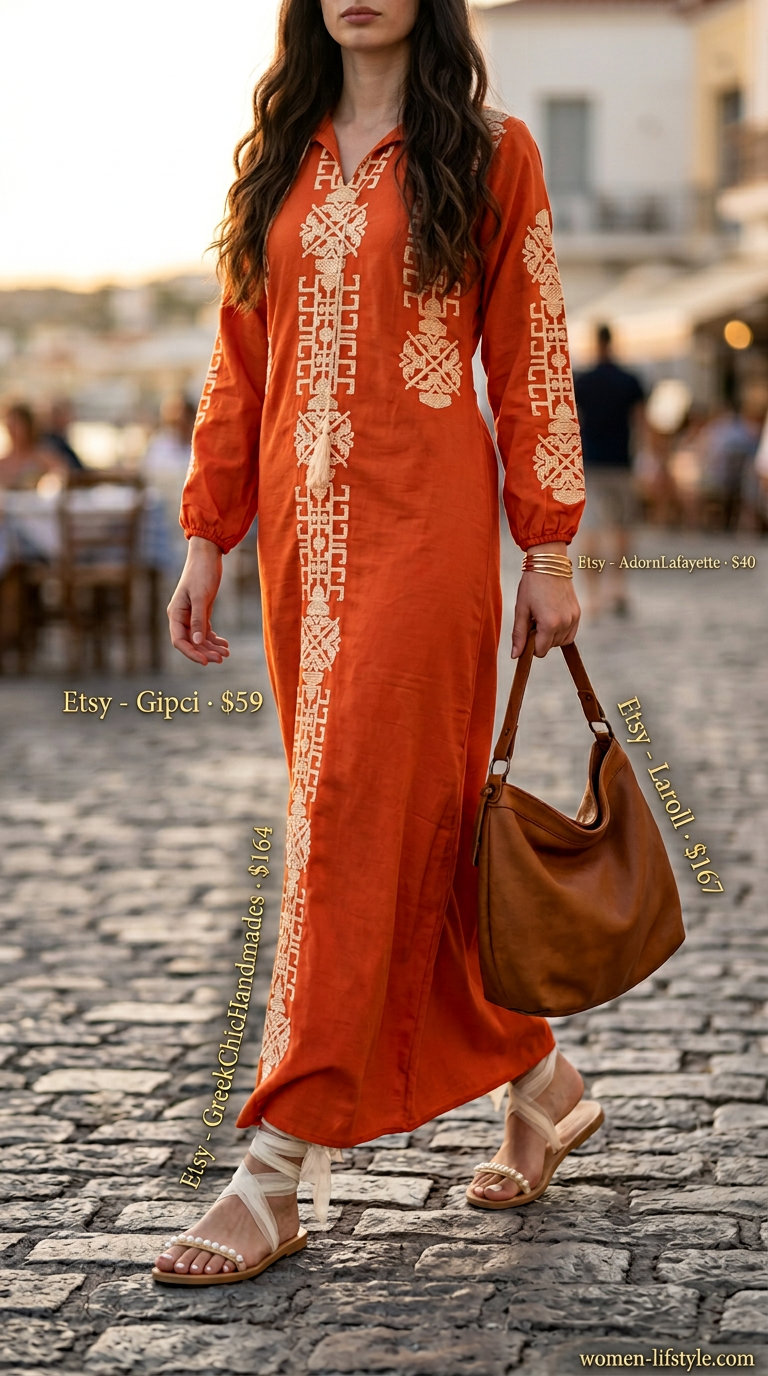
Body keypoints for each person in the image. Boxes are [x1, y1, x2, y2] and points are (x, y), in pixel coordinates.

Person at [153, 0, 601, 1287]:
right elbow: (242, 359)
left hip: (427, 537)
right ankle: (544, 1079)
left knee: (351, 815)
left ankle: (274, 1166)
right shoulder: (282, 154)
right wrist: (208, 528)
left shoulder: (492, 149)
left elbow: (533, 351)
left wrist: (550, 542)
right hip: (305, 549)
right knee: (404, 826)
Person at [574, 323, 646, 615]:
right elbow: (640, 421)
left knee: (589, 529)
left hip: (590, 462)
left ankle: (593, 596)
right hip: (621, 462)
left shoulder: (584, 380)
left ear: (595, 343)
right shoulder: (629, 380)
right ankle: (617, 587)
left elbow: (572, 420)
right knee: (621, 528)